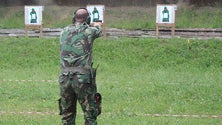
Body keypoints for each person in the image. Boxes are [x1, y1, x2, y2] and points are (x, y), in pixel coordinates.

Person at [58, 8, 103, 125]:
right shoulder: (90, 31)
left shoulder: (64, 31)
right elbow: (99, 30)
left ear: (74, 18)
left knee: (67, 115)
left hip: (64, 78)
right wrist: (96, 24)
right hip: (82, 78)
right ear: (88, 19)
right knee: (90, 114)